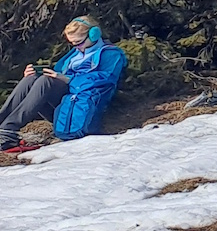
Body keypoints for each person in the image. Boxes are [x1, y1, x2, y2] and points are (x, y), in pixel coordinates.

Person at [0, 17, 128, 149]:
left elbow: (105, 80)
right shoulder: (75, 54)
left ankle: (9, 129)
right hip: (65, 103)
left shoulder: (111, 54)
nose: (76, 47)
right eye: (72, 43)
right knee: (31, 79)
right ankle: (2, 123)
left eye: (78, 42)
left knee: (46, 81)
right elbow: (57, 74)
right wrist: (37, 73)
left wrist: (69, 79)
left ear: (93, 34)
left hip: (80, 106)